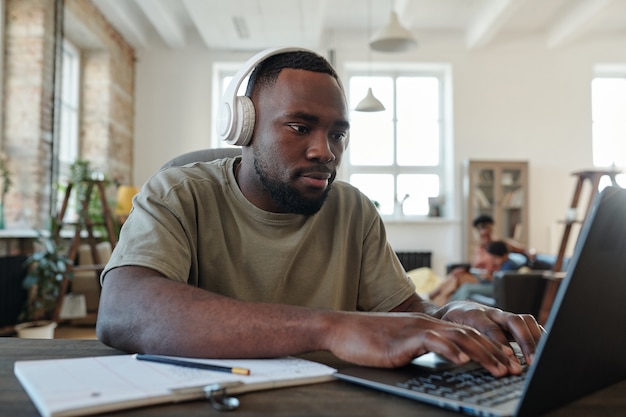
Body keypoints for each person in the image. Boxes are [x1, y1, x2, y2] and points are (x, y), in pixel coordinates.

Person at [96, 48, 543, 378]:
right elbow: (123, 310)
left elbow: (405, 309)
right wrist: (329, 327)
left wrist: (450, 313)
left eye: (338, 134)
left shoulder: (352, 209)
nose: (324, 151)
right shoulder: (179, 192)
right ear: (243, 126)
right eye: (299, 127)